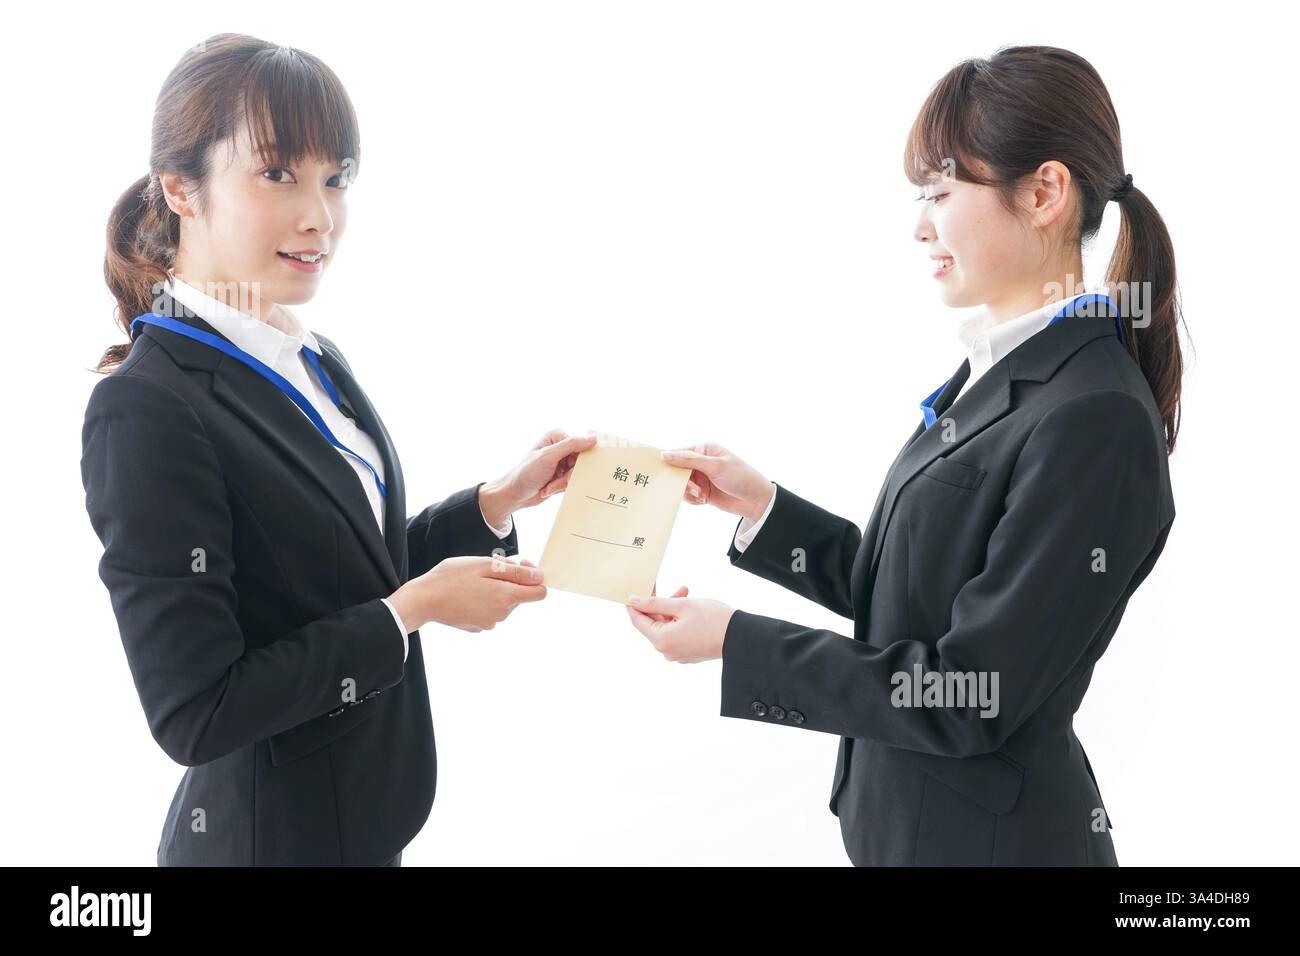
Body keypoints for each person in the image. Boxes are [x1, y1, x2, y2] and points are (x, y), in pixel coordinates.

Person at [625, 45, 1184, 866]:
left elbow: (970, 693)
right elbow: (918, 597)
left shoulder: (1094, 417)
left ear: (1045, 193)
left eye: (941, 191)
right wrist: (765, 510)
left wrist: (738, 642)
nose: (920, 224)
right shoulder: (1002, 367)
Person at [81, 33, 594, 866]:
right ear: (180, 187)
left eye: (336, 177)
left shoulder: (307, 356)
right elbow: (197, 712)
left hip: (358, 825)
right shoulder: (145, 409)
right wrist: (413, 613)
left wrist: (491, 505)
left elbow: (340, 573)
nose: (319, 216)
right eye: (278, 173)